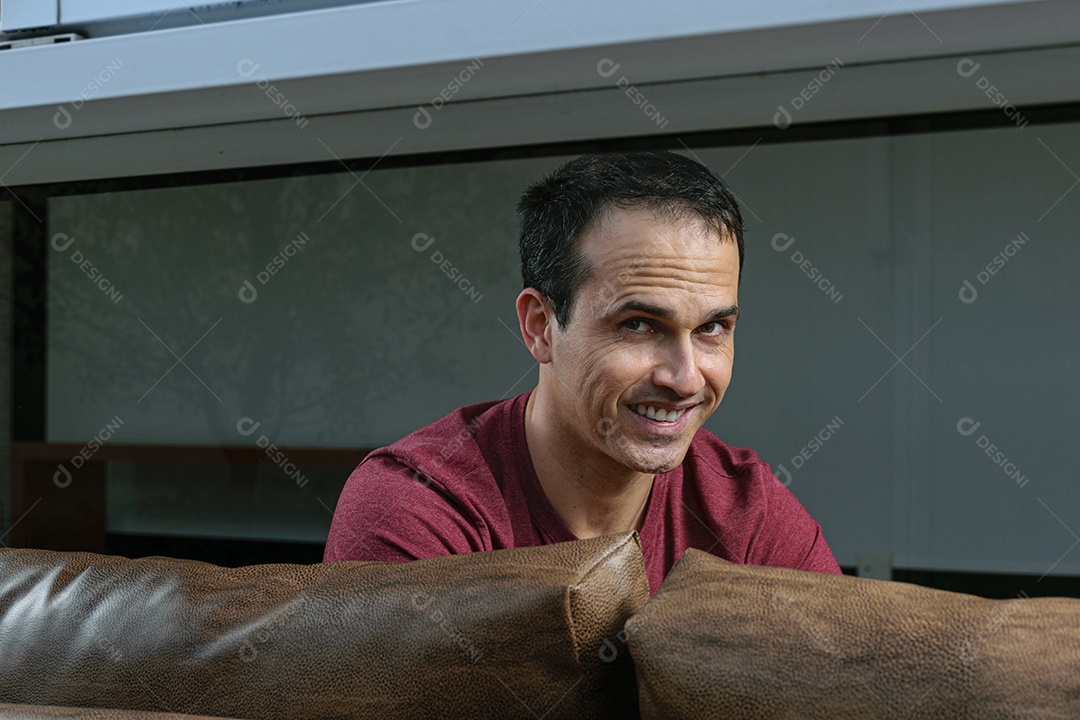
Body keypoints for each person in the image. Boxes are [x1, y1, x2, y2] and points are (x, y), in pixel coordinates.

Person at [324, 150, 840, 592]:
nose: (685, 378)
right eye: (638, 324)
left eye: (711, 329)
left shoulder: (746, 512)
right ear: (541, 326)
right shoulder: (419, 506)